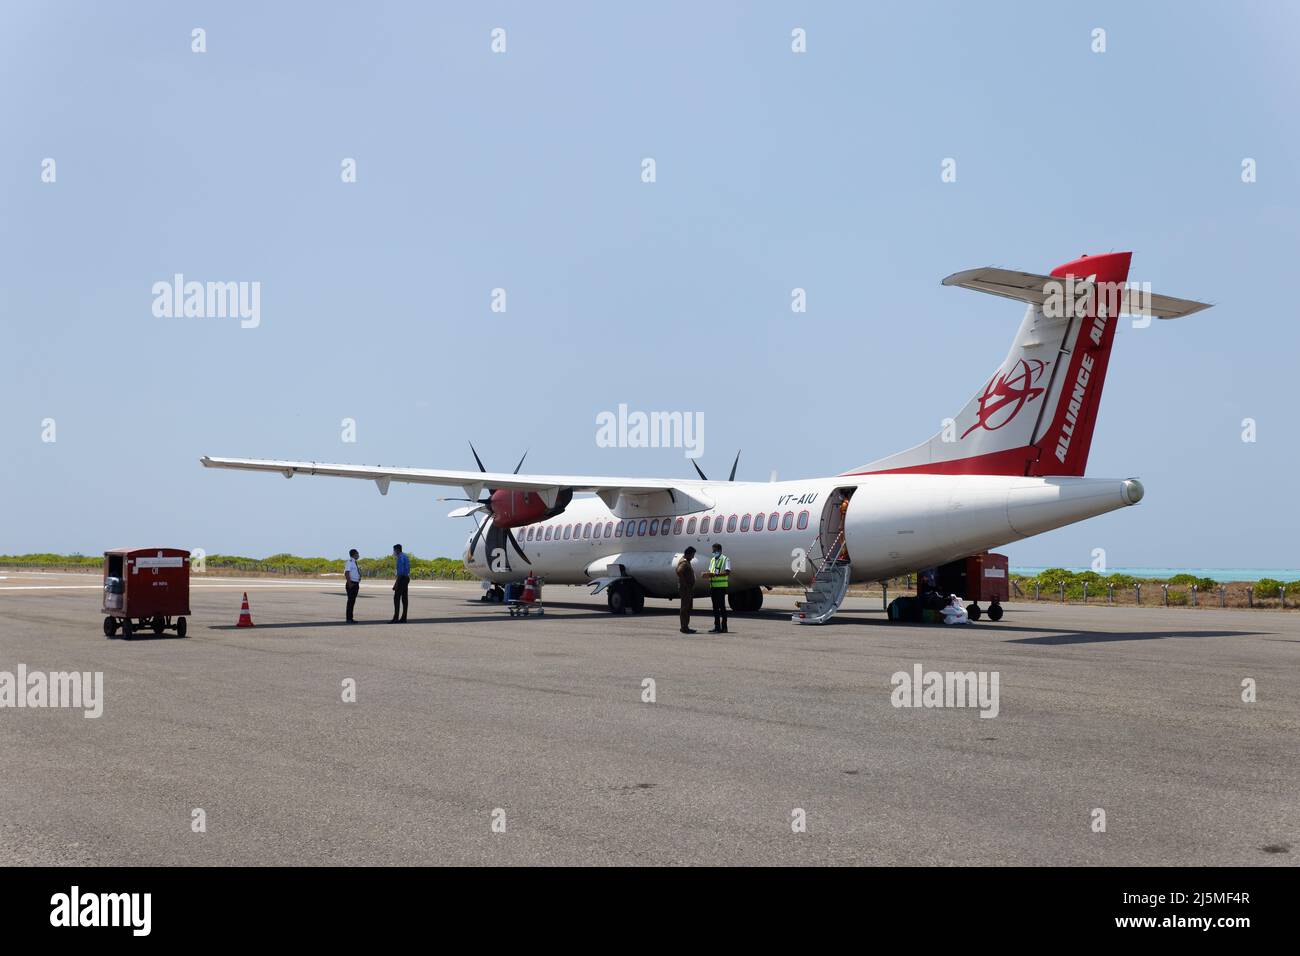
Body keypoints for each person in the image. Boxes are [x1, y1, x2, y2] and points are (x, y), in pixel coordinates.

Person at [704, 542, 731, 633]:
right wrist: (707, 574)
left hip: (721, 587)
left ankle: (724, 627)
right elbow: (710, 571)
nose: (713, 552)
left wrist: (715, 574)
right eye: (713, 550)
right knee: (715, 607)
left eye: (715, 550)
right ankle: (717, 626)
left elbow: (727, 572)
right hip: (713, 587)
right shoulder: (712, 560)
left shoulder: (725, 559)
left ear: (720, 550)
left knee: (722, 607)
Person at [675, 547, 697, 634]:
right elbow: (679, 571)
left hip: (687, 588)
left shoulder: (685, 561)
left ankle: (685, 626)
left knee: (687, 607)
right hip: (686, 589)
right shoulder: (684, 562)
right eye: (692, 555)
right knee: (685, 608)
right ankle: (684, 627)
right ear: (688, 554)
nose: (693, 557)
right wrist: (685, 583)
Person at [391, 544, 410, 623]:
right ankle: (404, 617)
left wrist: (396, 583)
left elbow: (401, 572)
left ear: (397, 550)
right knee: (404, 598)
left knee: (396, 598)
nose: (394, 552)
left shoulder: (400, 558)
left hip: (402, 578)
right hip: (406, 578)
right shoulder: (405, 556)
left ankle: (396, 618)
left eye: (394, 550)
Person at [344, 549, 361, 623]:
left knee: (352, 602)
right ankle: (348, 619)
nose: (358, 555)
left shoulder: (354, 562)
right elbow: (347, 573)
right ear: (354, 554)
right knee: (350, 602)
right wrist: (349, 583)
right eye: (357, 553)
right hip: (352, 584)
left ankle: (351, 618)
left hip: (356, 583)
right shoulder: (349, 562)